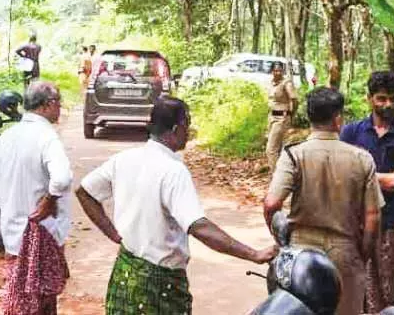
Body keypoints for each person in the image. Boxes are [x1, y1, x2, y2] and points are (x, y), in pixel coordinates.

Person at [76, 96, 277, 314]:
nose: (189, 131)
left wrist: (113, 234)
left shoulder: (124, 159)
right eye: (187, 125)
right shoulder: (173, 170)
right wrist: (253, 254)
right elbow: (198, 227)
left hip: (126, 273)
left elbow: (84, 192)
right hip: (160, 285)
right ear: (175, 129)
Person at [264, 87, 385, 315]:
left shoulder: (294, 154)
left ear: (310, 118)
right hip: (345, 249)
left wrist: (280, 237)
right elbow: (372, 216)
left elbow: (271, 204)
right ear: (338, 119)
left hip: (301, 254)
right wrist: (363, 253)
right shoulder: (362, 158)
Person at [340, 70, 394, 313]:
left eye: (393, 98)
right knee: (354, 290)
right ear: (370, 99)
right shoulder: (352, 132)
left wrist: (361, 175)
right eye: (382, 98)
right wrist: (385, 177)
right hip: (355, 224)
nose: (388, 104)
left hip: (390, 225)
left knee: (390, 293)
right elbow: (342, 175)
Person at [0, 82, 73, 314]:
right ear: (48, 105)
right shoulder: (46, 137)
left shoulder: (7, 136)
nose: (60, 108)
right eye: (58, 102)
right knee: (39, 299)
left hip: (11, 229)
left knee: (22, 293)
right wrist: (50, 200)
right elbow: (61, 179)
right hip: (41, 231)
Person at [265, 61, 298, 169]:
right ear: (271, 71)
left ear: (283, 71)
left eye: (280, 70)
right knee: (277, 148)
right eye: (275, 70)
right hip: (272, 117)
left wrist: (291, 113)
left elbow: (294, 99)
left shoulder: (286, 83)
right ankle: (282, 173)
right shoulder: (271, 83)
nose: (278, 73)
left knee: (271, 149)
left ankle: (275, 176)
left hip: (282, 118)